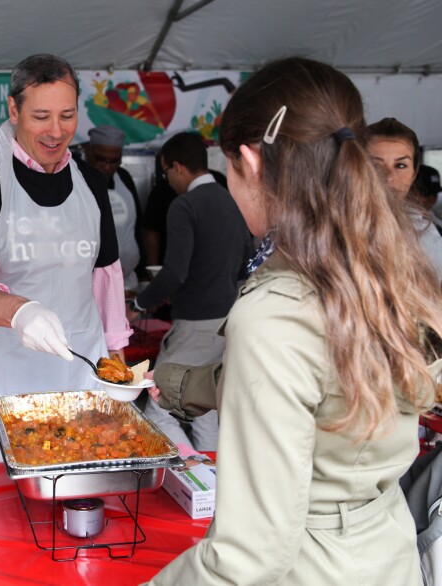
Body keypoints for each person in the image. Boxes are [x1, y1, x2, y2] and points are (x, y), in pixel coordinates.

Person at [142, 57, 442, 586]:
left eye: (230, 169)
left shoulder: (278, 309)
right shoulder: (392, 263)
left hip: (313, 566)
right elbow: (332, 383)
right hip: (385, 549)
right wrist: (177, 383)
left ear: (252, 163)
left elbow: (247, 557)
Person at [0, 53, 132, 467]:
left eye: (67, 115)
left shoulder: (92, 184)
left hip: (74, 370)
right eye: (41, 116)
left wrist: (120, 370)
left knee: (74, 480)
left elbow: (106, 278)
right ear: (13, 109)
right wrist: (20, 312)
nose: (56, 132)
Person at [128, 131, 251, 451]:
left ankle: (193, 476)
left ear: (178, 167)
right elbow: (245, 265)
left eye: (167, 172)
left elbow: (175, 273)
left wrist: (140, 304)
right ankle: (211, 490)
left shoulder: (185, 205)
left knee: (158, 410)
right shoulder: (233, 199)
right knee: (204, 408)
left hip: (195, 324)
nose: (167, 181)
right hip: (229, 320)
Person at [365, 118, 442, 281]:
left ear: (414, 173)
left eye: (401, 166)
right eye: (376, 165)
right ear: (356, 169)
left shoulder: (428, 233)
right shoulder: (332, 225)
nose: (389, 177)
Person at [82, 124, 148, 291]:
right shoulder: (77, 179)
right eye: (101, 159)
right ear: (88, 152)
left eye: (113, 161)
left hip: (128, 282)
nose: (107, 166)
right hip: (92, 286)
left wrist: (142, 274)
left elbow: (137, 228)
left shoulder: (124, 178)